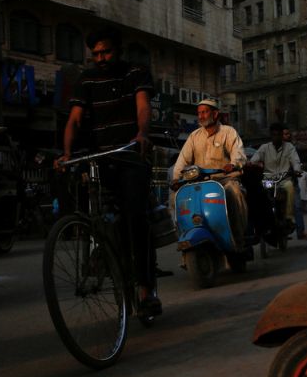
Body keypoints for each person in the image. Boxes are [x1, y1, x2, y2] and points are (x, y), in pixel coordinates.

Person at [57, 25, 161, 317]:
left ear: (118, 51)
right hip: (101, 158)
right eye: (96, 54)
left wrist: (141, 134)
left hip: (130, 154)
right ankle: (104, 258)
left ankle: (144, 287)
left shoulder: (135, 73)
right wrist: (66, 154)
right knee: (98, 217)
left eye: (106, 52)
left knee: (135, 217)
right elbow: (75, 120)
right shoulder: (85, 80)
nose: (101, 58)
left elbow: (143, 106)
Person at [171, 99, 248, 247]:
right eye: (199, 113)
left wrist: (232, 164)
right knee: (176, 199)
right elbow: (183, 159)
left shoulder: (228, 132)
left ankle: (238, 237)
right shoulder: (194, 136)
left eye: (204, 112)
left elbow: (238, 153)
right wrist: (176, 179)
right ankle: (185, 235)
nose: (201, 116)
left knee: (235, 193)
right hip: (199, 183)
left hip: (224, 180)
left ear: (215, 113)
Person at [252, 124, 307, 239]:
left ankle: (288, 217)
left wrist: (297, 170)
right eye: (273, 135)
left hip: (284, 180)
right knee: (259, 192)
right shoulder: (264, 148)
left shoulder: (289, 147)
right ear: (270, 136)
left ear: (282, 136)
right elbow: (254, 159)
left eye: (278, 135)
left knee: (290, 187)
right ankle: (262, 219)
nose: (276, 137)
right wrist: (253, 164)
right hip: (268, 180)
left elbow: (295, 161)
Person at [282, 128, 307, 240]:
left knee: (297, 206)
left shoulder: (291, 149)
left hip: (290, 180)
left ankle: (301, 231)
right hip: (274, 182)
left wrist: (296, 170)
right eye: (285, 134)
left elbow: (296, 162)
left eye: (288, 134)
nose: (287, 136)